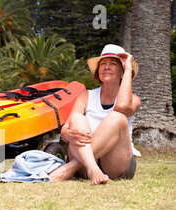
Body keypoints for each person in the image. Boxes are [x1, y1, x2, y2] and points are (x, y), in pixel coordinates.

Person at [49, 44, 141, 185]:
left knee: (117, 117)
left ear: (122, 72)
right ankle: (92, 168)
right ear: (98, 71)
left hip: (116, 164)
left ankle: (70, 168)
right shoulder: (86, 96)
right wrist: (69, 134)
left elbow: (121, 107)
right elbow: (64, 131)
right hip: (84, 160)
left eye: (113, 64)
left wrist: (129, 68)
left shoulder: (133, 100)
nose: (106, 67)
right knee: (77, 118)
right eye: (103, 63)